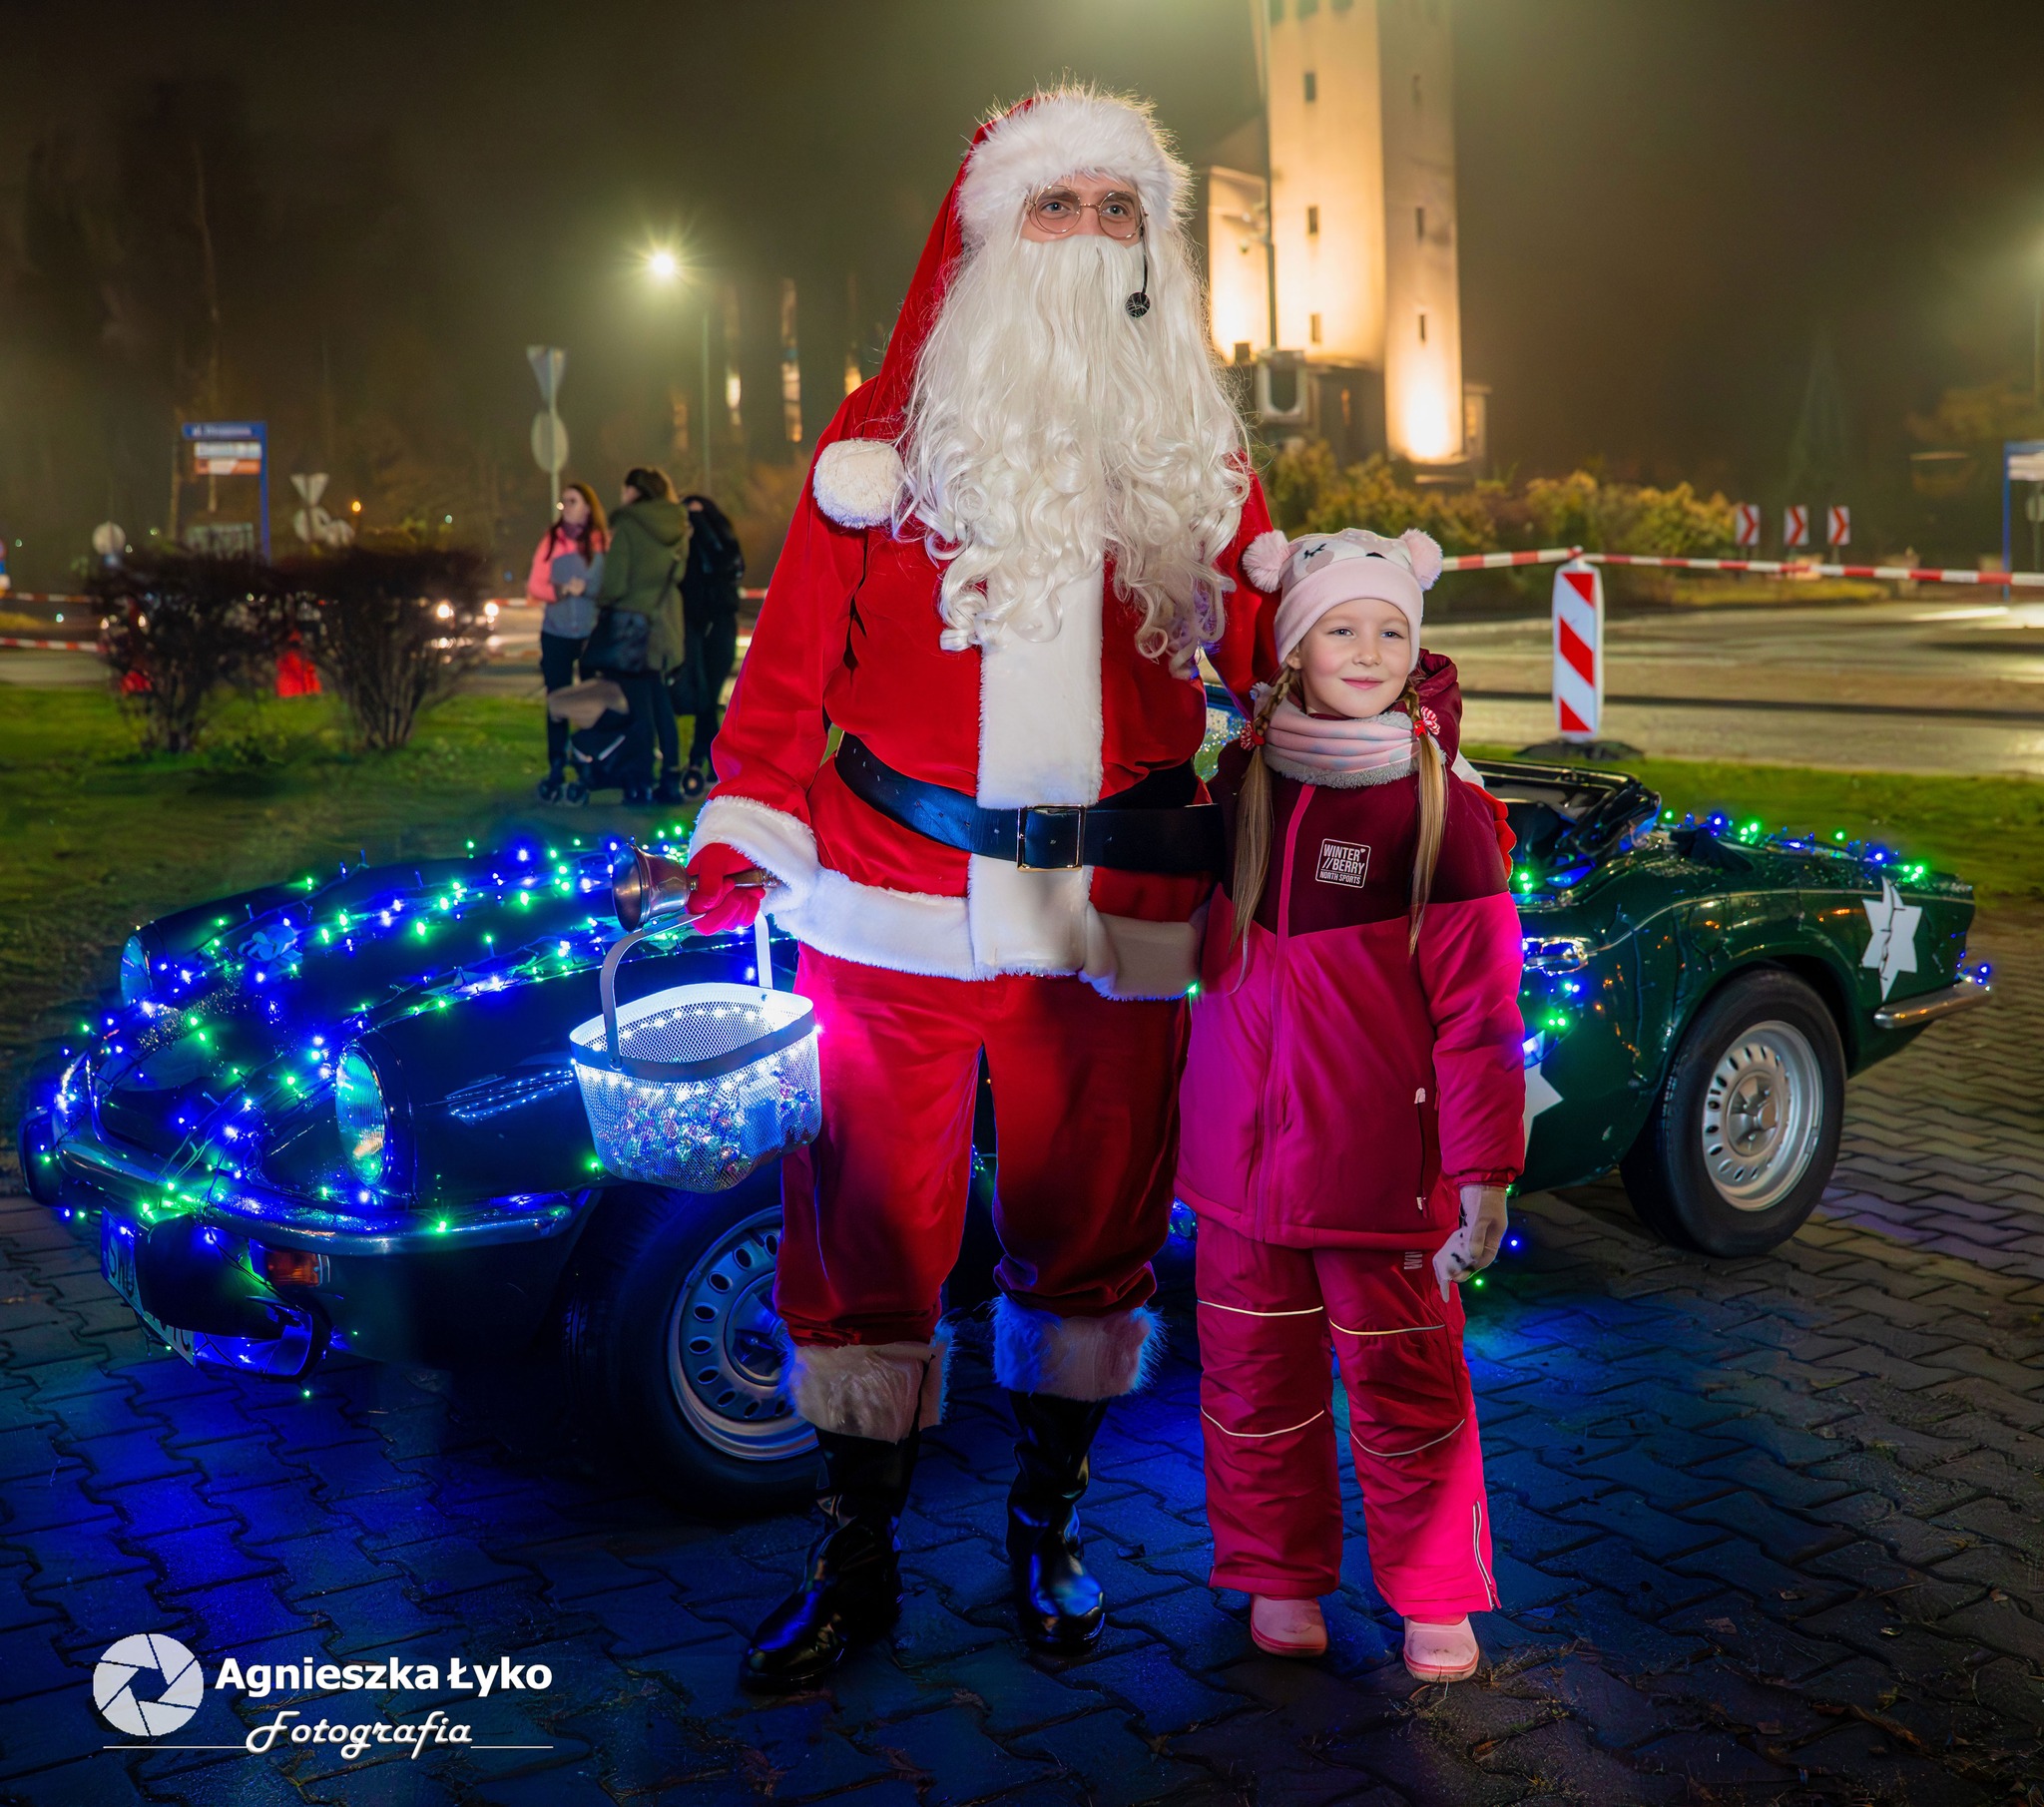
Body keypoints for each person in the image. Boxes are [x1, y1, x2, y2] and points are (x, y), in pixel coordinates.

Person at [679, 87, 1284, 1690]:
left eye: (1115, 206)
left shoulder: (1199, 447)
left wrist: (1376, 691)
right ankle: (855, 1553)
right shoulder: (881, 439)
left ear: (1151, 245)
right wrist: (744, 830)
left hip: (1112, 911)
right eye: (1051, 204)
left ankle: (1047, 1519)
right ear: (987, 234)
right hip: (893, 894)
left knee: (1093, 1229)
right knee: (865, 1226)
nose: (1085, 233)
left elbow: (1278, 653)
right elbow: (790, 660)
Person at [1175, 526, 1525, 1679]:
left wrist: (1482, 1174)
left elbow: (1479, 1019)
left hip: (1380, 1178)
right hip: (1238, 1176)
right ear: (1292, 647)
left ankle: (1434, 1593)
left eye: (1389, 630)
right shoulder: (1243, 782)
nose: (1367, 651)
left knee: (1407, 1393)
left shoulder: (1442, 813)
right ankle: (1277, 1575)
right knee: (1251, 1385)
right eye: (1339, 627)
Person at [584, 466, 687, 804]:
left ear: (636, 491)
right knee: (661, 702)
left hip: (633, 629)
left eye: (625, 489)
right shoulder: (677, 525)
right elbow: (679, 573)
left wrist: (599, 599)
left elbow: (616, 582)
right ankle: (671, 777)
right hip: (665, 622)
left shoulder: (628, 525)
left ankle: (640, 781)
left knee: (639, 708)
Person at [529, 481, 609, 801]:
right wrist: (559, 591)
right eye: (563, 502)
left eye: (572, 501)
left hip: (590, 633)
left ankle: (590, 763)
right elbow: (535, 584)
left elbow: (609, 585)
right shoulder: (552, 540)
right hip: (557, 632)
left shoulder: (601, 542)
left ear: (588, 507)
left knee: (592, 701)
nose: (566, 507)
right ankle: (557, 764)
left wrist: (587, 589)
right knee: (558, 700)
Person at [674, 492, 745, 797]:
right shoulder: (687, 549)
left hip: (715, 627)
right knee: (704, 700)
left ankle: (704, 763)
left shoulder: (718, 544)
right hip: (698, 627)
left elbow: (726, 561)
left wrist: (700, 524)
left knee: (707, 700)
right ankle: (709, 764)